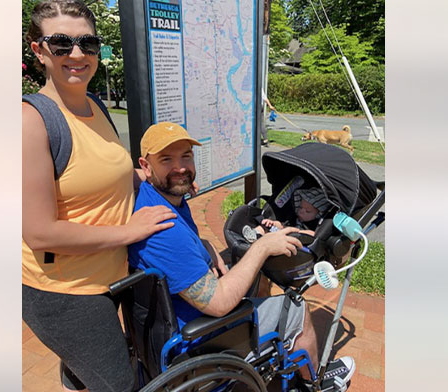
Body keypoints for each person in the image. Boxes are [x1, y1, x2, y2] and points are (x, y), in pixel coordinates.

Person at [21, 2, 178, 391]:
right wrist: (128, 233)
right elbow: (40, 233)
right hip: (65, 292)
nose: (77, 54)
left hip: (112, 276)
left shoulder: (96, 105)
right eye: (61, 43)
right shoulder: (31, 123)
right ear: (38, 50)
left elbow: (110, 174)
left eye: (87, 43)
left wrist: (156, 177)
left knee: (98, 373)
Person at [127, 122, 356, 390]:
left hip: (167, 326)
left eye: (186, 156)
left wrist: (205, 246)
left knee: (250, 277)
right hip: (201, 338)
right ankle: (314, 382)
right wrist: (262, 247)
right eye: (167, 159)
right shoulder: (166, 232)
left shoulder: (155, 199)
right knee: (296, 307)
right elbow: (220, 303)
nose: (180, 168)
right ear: (146, 165)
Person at [242, 187, 332, 242]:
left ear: (318, 214)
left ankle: (260, 239)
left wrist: (297, 232)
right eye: (300, 207)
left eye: (307, 211)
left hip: (295, 242)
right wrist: (272, 223)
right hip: (284, 233)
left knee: (273, 237)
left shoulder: (316, 225)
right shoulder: (295, 217)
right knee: (266, 226)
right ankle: (254, 234)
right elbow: (283, 225)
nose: (301, 211)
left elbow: (314, 235)